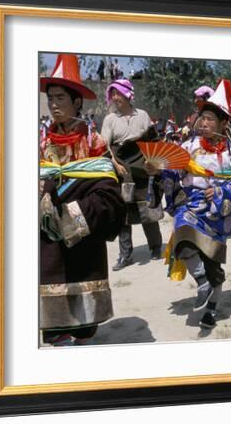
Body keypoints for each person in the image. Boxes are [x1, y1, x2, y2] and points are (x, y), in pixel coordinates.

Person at [38, 54, 126, 346]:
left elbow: (109, 196)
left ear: (77, 102)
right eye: (50, 98)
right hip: (48, 243)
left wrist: (72, 213)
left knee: (83, 326)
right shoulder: (40, 143)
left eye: (60, 97)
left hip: (84, 239)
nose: (53, 104)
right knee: (52, 325)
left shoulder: (94, 143)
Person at [151, 79, 231, 329]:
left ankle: (211, 309)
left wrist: (219, 192)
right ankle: (201, 282)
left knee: (214, 265)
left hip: (217, 213)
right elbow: (173, 172)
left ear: (224, 124)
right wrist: (160, 169)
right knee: (182, 239)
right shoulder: (188, 146)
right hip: (191, 206)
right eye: (201, 117)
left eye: (210, 119)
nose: (203, 123)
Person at [101, 78, 164, 270]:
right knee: (123, 214)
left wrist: (150, 162)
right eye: (112, 94)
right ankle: (125, 255)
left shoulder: (142, 115)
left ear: (127, 94)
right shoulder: (110, 119)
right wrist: (115, 164)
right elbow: (103, 146)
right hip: (121, 169)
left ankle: (155, 247)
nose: (115, 97)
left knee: (148, 209)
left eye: (118, 93)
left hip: (143, 169)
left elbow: (152, 142)